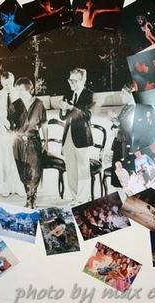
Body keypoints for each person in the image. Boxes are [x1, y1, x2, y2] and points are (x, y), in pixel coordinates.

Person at [7, 77, 47, 208]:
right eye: (17, 90)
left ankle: (32, 200)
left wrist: (46, 141)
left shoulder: (39, 104)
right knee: (23, 171)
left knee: (34, 171)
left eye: (20, 90)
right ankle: (28, 198)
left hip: (33, 141)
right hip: (18, 143)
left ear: (28, 89)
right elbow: (11, 124)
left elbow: (44, 124)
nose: (18, 92)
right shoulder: (15, 105)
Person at [59, 68, 94, 204]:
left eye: (74, 80)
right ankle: (75, 197)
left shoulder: (89, 95)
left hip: (82, 138)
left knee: (83, 170)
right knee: (71, 169)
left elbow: (86, 115)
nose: (71, 83)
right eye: (70, 80)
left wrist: (70, 108)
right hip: (68, 136)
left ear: (83, 80)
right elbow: (63, 117)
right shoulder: (68, 94)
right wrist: (63, 109)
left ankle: (83, 198)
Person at [0, 71, 25, 197]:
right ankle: (6, 187)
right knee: (4, 160)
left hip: (17, 133)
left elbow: (23, 113)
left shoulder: (19, 93)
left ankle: (19, 186)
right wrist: (4, 124)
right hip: (2, 133)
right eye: (5, 84)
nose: (8, 86)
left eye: (10, 83)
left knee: (17, 160)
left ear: (13, 81)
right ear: (1, 83)